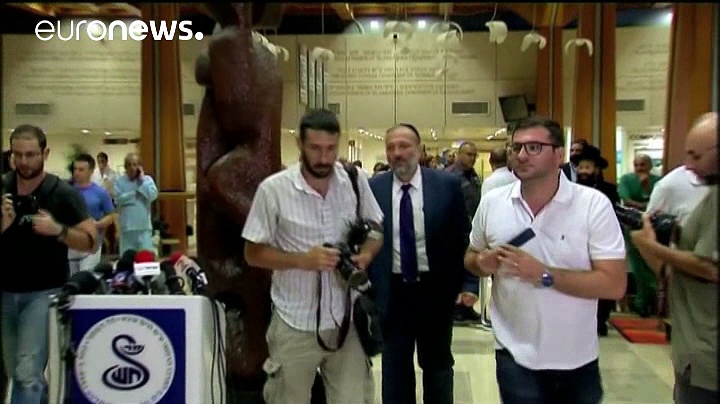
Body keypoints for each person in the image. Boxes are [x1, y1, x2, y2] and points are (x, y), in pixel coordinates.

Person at [464, 116, 626, 404]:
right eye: (516, 147)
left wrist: (544, 274)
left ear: (559, 155)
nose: (522, 155)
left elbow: (613, 284)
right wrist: (481, 264)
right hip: (513, 353)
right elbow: (471, 256)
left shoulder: (592, 205)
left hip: (576, 358)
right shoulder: (493, 203)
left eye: (534, 147)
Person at [242, 109, 383, 404]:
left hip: (346, 321)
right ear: (299, 144)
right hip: (294, 322)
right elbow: (253, 253)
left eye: (331, 148)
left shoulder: (354, 181)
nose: (324, 158)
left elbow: (376, 229)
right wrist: (302, 260)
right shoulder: (274, 189)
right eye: (315, 148)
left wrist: (366, 255)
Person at [368, 123, 470, 404]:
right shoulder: (373, 188)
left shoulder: (446, 186)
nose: (397, 153)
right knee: (394, 366)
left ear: (419, 149)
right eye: (391, 147)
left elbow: (462, 237)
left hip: (434, 289)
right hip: (392, 292)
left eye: (404, 146)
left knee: (437, 364)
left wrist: (468, 284)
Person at [1, 124, 97, 404]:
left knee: (28, 371)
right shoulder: (3, 187)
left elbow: (90, 241)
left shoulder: (61, 193)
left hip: (43, 291)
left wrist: (59, 230)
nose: (23, 161)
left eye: (30, 154)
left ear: (45, 153)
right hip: (5, 290)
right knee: (15, 371)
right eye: (18, 154)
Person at [631, 112, 718, 404]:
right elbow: (679, 269)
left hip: (707, 351)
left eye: (697, 156)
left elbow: (710, 268)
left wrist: (652, 246)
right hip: (694, 342)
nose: (689, 165)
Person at [571, 144, 621, 336]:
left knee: (603, 279)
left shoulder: (609, 190)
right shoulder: (572, 190)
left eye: (588, 167)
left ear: (597, 170)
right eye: (581, 167)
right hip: (577, 240)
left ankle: (601, 319)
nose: (583, 171)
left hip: (602, 241)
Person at [619, 154, 662, 317]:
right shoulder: (626, 180)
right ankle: (642, 302)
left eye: (642, 165)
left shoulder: (658, 182)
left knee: (651, 264)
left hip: (653, 228)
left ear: (650, 166)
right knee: (637, 266)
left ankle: (648, 301)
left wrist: (646, 187)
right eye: (636, 164)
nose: (639, 168)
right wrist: (646, 206)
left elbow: (659, 204)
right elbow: (627, 201)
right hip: (632, 227)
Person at [446, 142, 483, 325]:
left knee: (471, 270)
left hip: (472, 230)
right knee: (455, 270)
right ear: (459, 154)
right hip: (454, 231)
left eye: (474, 155)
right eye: (469, 154)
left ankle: (467, 306)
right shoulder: (449, 177)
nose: (472, 158)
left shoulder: (474, 177)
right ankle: (454, 308)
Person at [67, 153, 116, 275]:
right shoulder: (66, 191)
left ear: (91, 171)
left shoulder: (100, 192)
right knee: (70, 279)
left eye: (81, 170)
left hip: (91, 243)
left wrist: (98, 224)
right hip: (70, 242)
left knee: (86, 277)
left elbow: (111, 215)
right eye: (75, 169)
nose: (77, 173)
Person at [113, 153, 158, 255]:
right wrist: (136, 193)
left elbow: (152, 196)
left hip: (144, 227)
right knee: (127, 258)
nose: (132, 167)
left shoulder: (147, 180)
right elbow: (118, 200)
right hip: (127, 228)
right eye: (129, 165)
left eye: (135, 164)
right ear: (125, 167)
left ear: (139, 166)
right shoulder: (119, 181)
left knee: (146, 258)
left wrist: (142, 181)